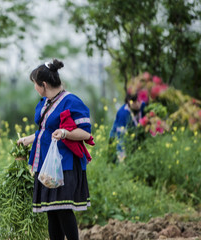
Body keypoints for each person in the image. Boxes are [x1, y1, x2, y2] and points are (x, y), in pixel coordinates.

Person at [17, 59, 92, 240]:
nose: (35, 88)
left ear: (43, 84)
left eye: (35, 84)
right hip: (46, 164)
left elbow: (85, 133)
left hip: (63, 164)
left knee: (63, 210)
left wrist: (66, 133)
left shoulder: (71, 101)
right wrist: (27, 140)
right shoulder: (45, 102)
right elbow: (46, 131)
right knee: (52, 212)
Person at [108, 93, 146, 163]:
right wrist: (122, 158)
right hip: (117, 139)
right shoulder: (123, 113)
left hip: (133, 138)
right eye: (135, 102)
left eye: (139, 101)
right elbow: (120, 138)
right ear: (128, 101)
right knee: (116, 163)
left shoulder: (143, 105)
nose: (138, 104)